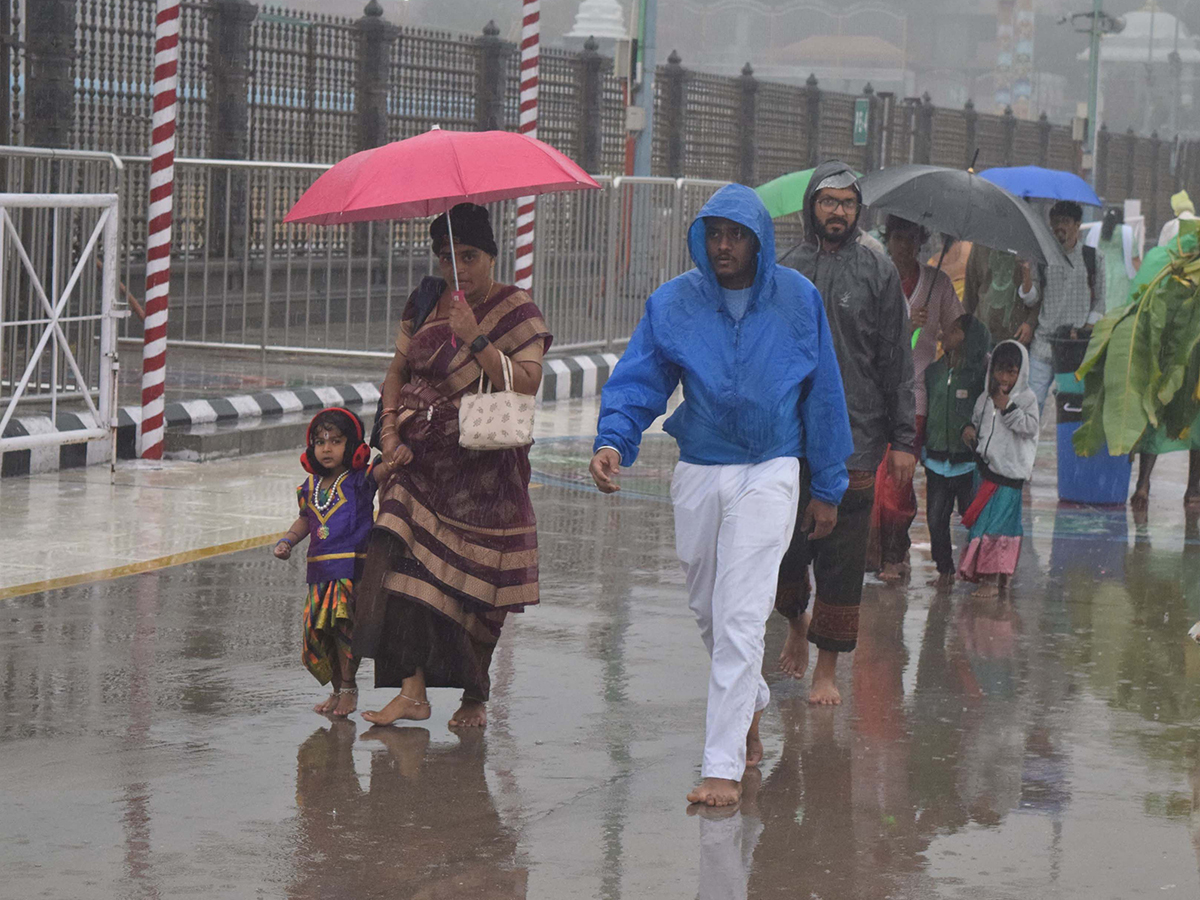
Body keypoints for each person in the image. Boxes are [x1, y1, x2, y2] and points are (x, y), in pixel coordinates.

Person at [589, 183, 852, 807]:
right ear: (701, 239)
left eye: (737, 235)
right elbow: (640, 379)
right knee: (710, 612)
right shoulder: (674, 304)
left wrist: (830, 485)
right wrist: (613, 440)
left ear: (758, 241)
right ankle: (750, 703)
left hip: (772, 469)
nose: (725, 246)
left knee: (741, 615)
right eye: (715, 234)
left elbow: (826, 394)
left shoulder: (797, 300)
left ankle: (722, 765)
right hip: (701, 468)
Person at [353, 203, 552, 730]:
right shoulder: (423, 300)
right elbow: (396, 371)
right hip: (417, 461)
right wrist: (390, 430)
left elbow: (529, 382)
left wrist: (475, 338)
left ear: (490, 255)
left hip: (484, 471)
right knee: (398, 560)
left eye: (468, 256)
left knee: (478, 588)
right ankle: (413, 691)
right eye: (446, 257)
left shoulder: (515, 308)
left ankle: (473, 696)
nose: (457, 267)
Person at [775, 160, 917, 705]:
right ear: (813, 206)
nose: (838, 211)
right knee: (784, 550)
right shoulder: (787, 267)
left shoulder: (877, 273)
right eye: (829, 201)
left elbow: (896, 362)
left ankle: (828, 669)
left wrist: (904, 441)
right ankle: (794, 620)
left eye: (848, 203)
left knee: (840, 554)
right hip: (791, 436)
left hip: (858, 436)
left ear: (859, 212)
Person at [275, 408, 388, 718]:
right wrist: (287, 541)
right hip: (319, 574)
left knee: (345, 631)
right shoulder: (309, 487)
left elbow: (385, 470)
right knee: (318, 634)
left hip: (352, 573)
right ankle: (337, 690)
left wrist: (394, 449)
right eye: (319, 442)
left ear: (352, 446)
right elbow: (304, 519)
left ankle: (349, 689)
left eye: (336, 441)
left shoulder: (360, 479)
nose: (326, 448)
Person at [871, 215, 964, 581]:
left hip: (917, 399)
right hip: (874, 396)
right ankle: (875, 550)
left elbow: (958, 332)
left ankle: (894, 553)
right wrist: (903, 327)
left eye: (911, 238)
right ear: (888, 239)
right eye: (897, 237)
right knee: (872, 479)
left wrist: (942, 333)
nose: (904, 246)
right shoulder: (876, 280)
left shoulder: (937, 284)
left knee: (899, 478)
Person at [958, 341, 1039, 597]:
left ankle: (991, 580)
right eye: (999, 371)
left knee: (999, 527)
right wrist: (968, 431)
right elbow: (976, 423)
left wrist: (1007, 407)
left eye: (1011, 372)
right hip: (984, 473)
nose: (1004, 378)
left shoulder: (1027, 399)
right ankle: (997, 574)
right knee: (984, 525)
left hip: (1008, 478)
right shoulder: (984, 398)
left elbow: (1030, 428)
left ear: (1021, 372)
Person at [1017, 199, 1105, 413]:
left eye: (1065, 221)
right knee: (1031, 407)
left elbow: (1100, 302)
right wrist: (1026, 275)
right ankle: (1028, 446)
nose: (1059, 227)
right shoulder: (1042, 257)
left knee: (1073, 407)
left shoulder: (1093, 258)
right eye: (1055, 222)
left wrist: (1084, 330)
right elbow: (1032, 299)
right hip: (1044, 344)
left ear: (1077, 224)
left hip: (1076, 348)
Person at [922, 313, 989, 589]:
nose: (943, 334)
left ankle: (980, 569)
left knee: (974, 518)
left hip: (967, 463)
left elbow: (985, 409)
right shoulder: (933, 372)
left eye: (952, 330)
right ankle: (945, 570)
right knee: (936, 519)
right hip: (936, 459)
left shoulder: (979, 375)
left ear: (965, 337)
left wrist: (971, 427)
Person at [962, 243, 1037, 346]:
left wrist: (1031, 323)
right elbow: (970, 292)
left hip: (1016, 335)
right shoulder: (980, 244)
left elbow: (1039, 292)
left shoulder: (1026, 243)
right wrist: (963, 328)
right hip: (981, 332)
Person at [1085, 207, 1140, 313]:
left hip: (1100, 273)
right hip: (1121, 276)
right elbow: (1135, 258)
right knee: (1118, 309)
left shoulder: (1096, 229)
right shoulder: (1126, 231)